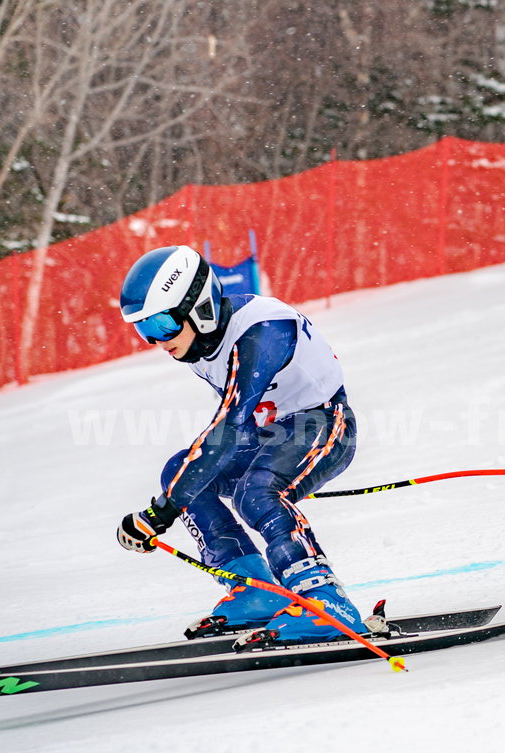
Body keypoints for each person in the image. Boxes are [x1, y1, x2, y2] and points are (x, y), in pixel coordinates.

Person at [114, 244, 367, 644]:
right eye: (145, 330)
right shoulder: (198, 342)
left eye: (162, 324)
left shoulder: (263, 329)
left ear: (199, 307)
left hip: (325, 422)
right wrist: (174, 496)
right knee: (180, 474)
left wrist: (161, 513)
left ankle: (324, 602)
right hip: (272, 432)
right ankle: (255, 591)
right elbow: (237, 430)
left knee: (256, 492)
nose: (157, 340)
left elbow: (230, 427)